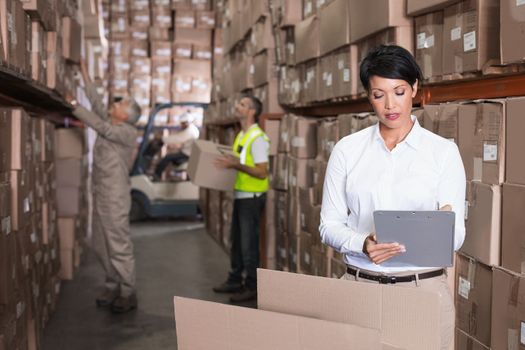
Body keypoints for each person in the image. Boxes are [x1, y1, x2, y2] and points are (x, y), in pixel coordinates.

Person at [319, 45, 465, 350]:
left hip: (421, 291)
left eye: (398, 91)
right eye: (378, 94)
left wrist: (409, 239)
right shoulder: (347, 149)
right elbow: (328, 225)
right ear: (368, 96)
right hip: (359, 289)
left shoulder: (442, 153)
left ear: (414, 88)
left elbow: (456, 236)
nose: (390, 105)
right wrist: (363, 243)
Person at [67, 60, 141, 313]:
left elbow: (99, 125)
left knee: (118, 244)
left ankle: (128, 291)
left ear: (127, 116)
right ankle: (112, 283)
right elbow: (98, 106)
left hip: (115, 195)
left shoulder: (127, 132)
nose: (116, 103)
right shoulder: (113, 123)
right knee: (100, 243)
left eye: (122, 104)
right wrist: (86, 76)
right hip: (100, 192)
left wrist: (75, 106)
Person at [212, 96, 270, 303]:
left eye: (243, 104)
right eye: (239, 103)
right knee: (236, 242)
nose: (238, 106)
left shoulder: (258, 138)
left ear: (252, 112)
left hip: (252, 198)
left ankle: (252, 286)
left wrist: (235, 164)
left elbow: (262, 172)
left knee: (248, 245)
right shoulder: (242, 135)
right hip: (241, 195)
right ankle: (235, 279)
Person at [153, 113, 199, 180]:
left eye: (182, 123)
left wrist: (162, 139)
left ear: (187, 122)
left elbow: (177, 138)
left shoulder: (190, 131)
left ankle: (156, 176)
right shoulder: (192, 129)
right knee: (170, 157)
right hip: (187, 152)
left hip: (186, 155)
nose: (181, 125)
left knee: (167, 158)